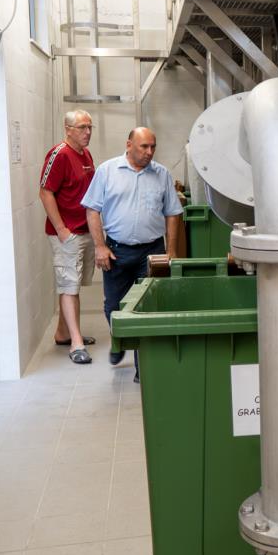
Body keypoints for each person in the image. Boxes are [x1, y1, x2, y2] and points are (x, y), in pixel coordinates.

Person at [81, 127, 183, 382]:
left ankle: (142, 367)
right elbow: (92, 210)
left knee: (147, 309)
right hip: (116, 251)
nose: (149, 152)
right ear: (129, 145)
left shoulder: (162, 174)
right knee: (113, 307)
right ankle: (120, 338)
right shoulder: (107, 171)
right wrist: (100, 246)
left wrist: (171, 251)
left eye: (152, 147)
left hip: (151, 251)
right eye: (143, 146)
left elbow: (173, 213)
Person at [39, 110, 97, 365]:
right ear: (68, 129)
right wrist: (62, 229)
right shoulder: (59, 155)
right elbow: (45, 192)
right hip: (67, 233)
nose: (88, 132)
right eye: (82, 127)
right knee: (69, 287)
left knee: (72, 285)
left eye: (90, 127)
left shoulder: (85, 154)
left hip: (84, 229)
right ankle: (76, 343)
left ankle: (63, 333)